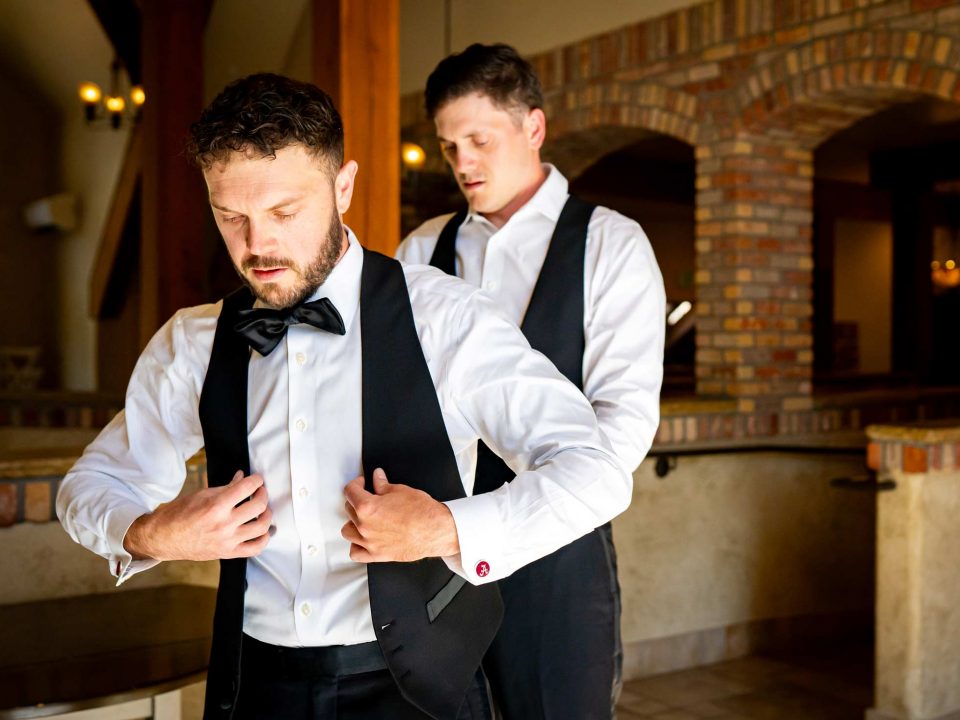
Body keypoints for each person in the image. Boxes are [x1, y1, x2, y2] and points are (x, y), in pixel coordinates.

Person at [57, 73, 631, 720]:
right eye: (231, 217)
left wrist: (448, 527)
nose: (257, 246)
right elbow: (88, 486)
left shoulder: (447, 320)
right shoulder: (191, 344)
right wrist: (147, 532)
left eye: (284, 213)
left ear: (343, 188)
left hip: (419, 688)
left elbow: (597, 471)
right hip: (252, 686)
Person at [397, 44, 665, 720]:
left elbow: (625, 425)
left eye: (479, 140)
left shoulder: (611, 244)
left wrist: (511, 519)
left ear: (534, 127)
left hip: (557, 552)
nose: (461, 163)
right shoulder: (419, 250)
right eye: (448, 144)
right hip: (429, 557)